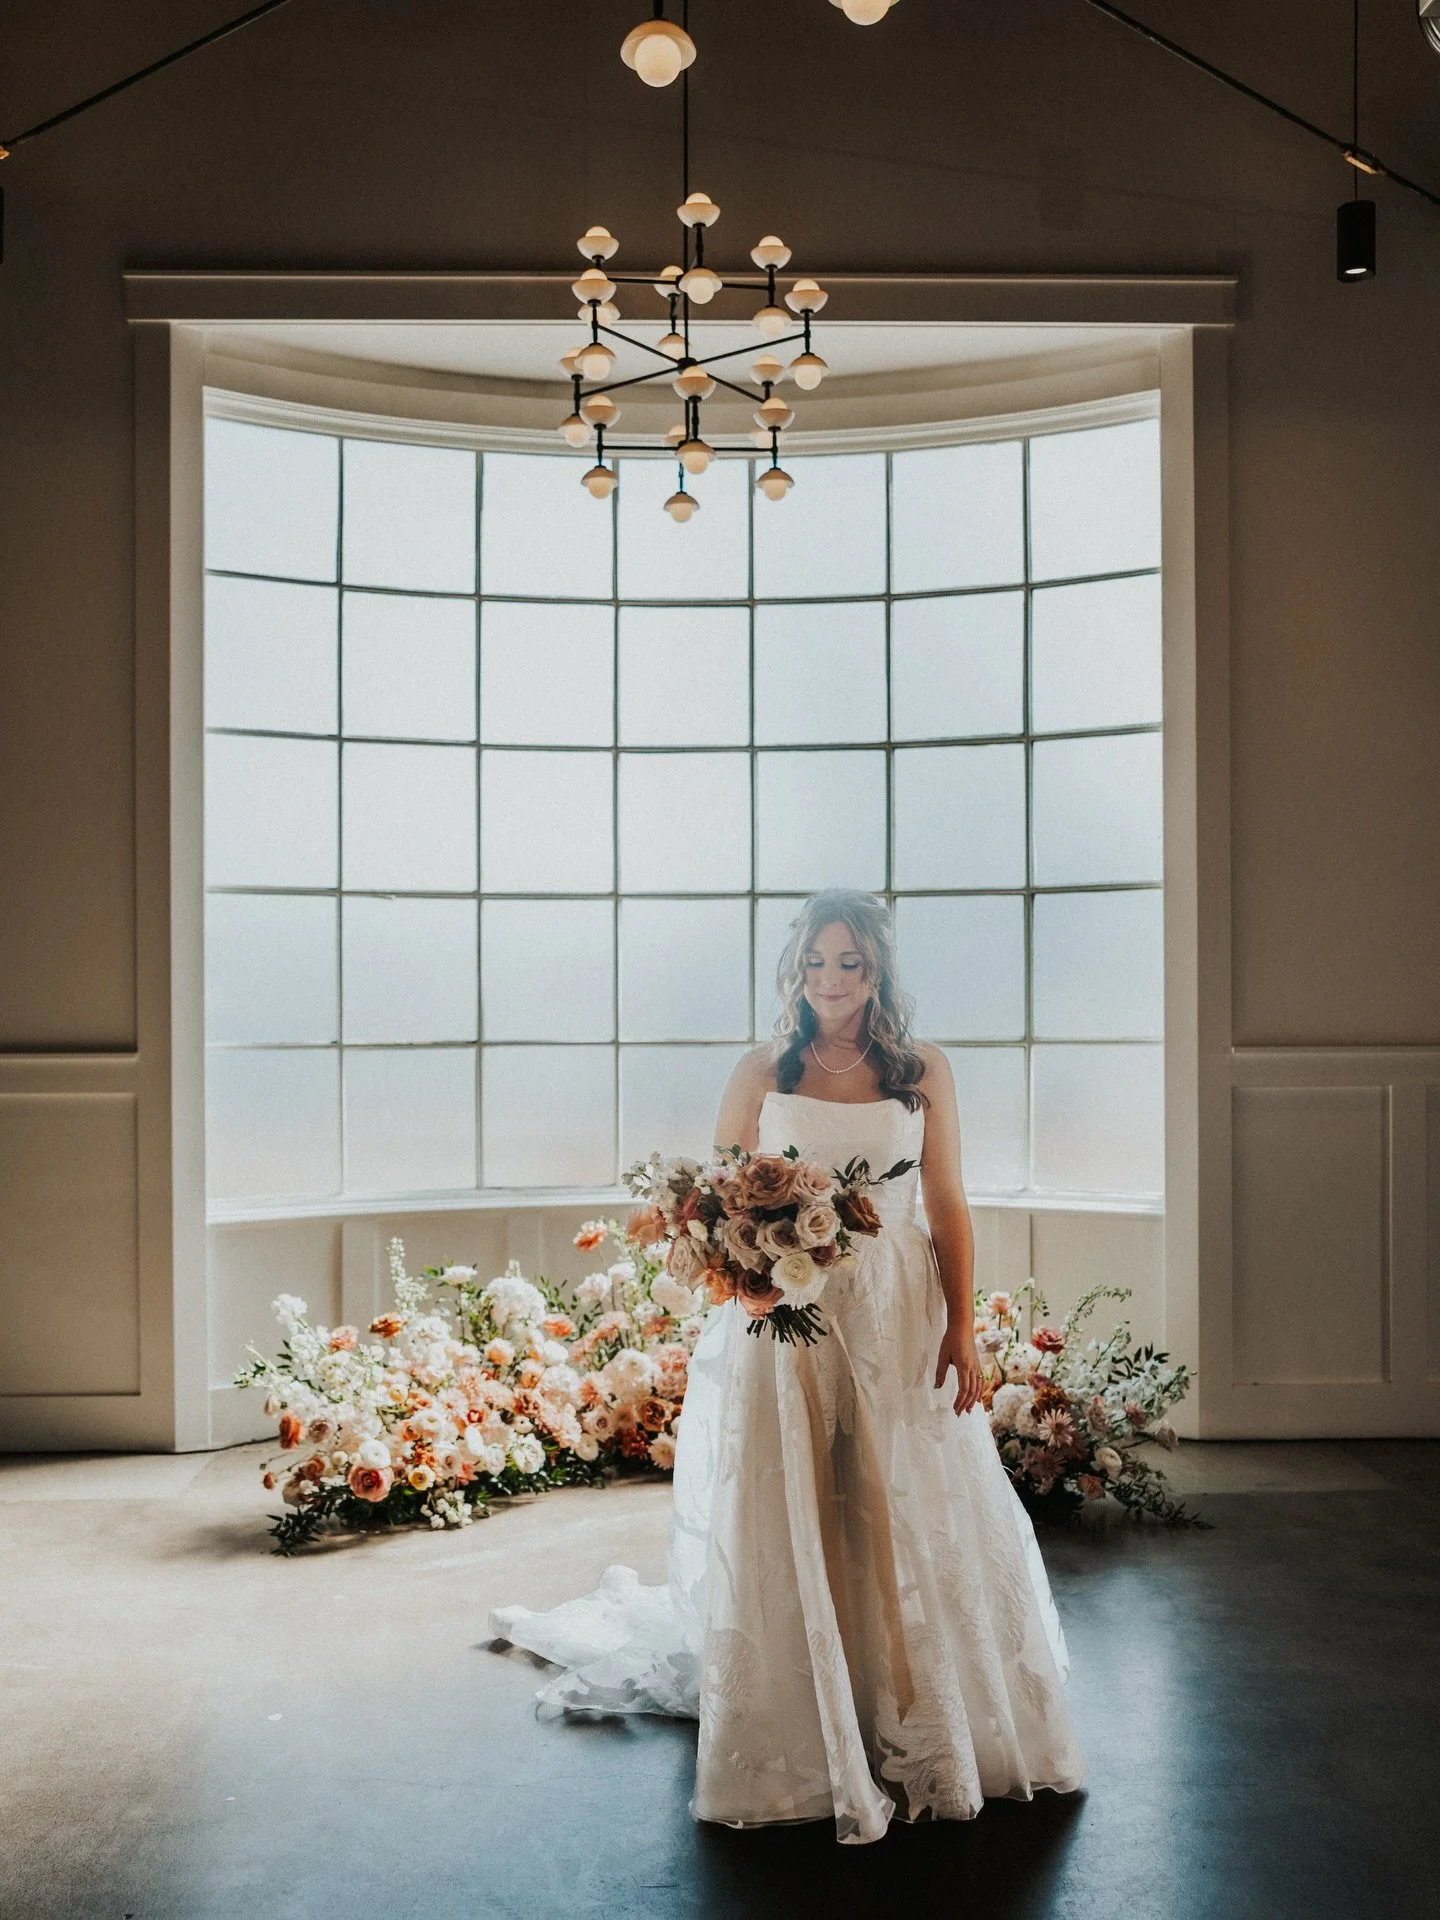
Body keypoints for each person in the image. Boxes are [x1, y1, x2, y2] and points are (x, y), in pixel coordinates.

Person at [491, 889, 1086, 1844]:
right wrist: (752, 1268)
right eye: (817, 963)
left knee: (901, 1493)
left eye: (851, 964)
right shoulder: (765, 1069)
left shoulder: (922, 1069)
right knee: (800, 1490)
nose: (834, 981)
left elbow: (946, 1203)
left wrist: (962, 1330)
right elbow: (717, 1202)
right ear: (796, 969)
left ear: (879, 970)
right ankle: (807, 1710)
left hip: (896, 1304)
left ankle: (912, 1700)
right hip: (791, 1310)